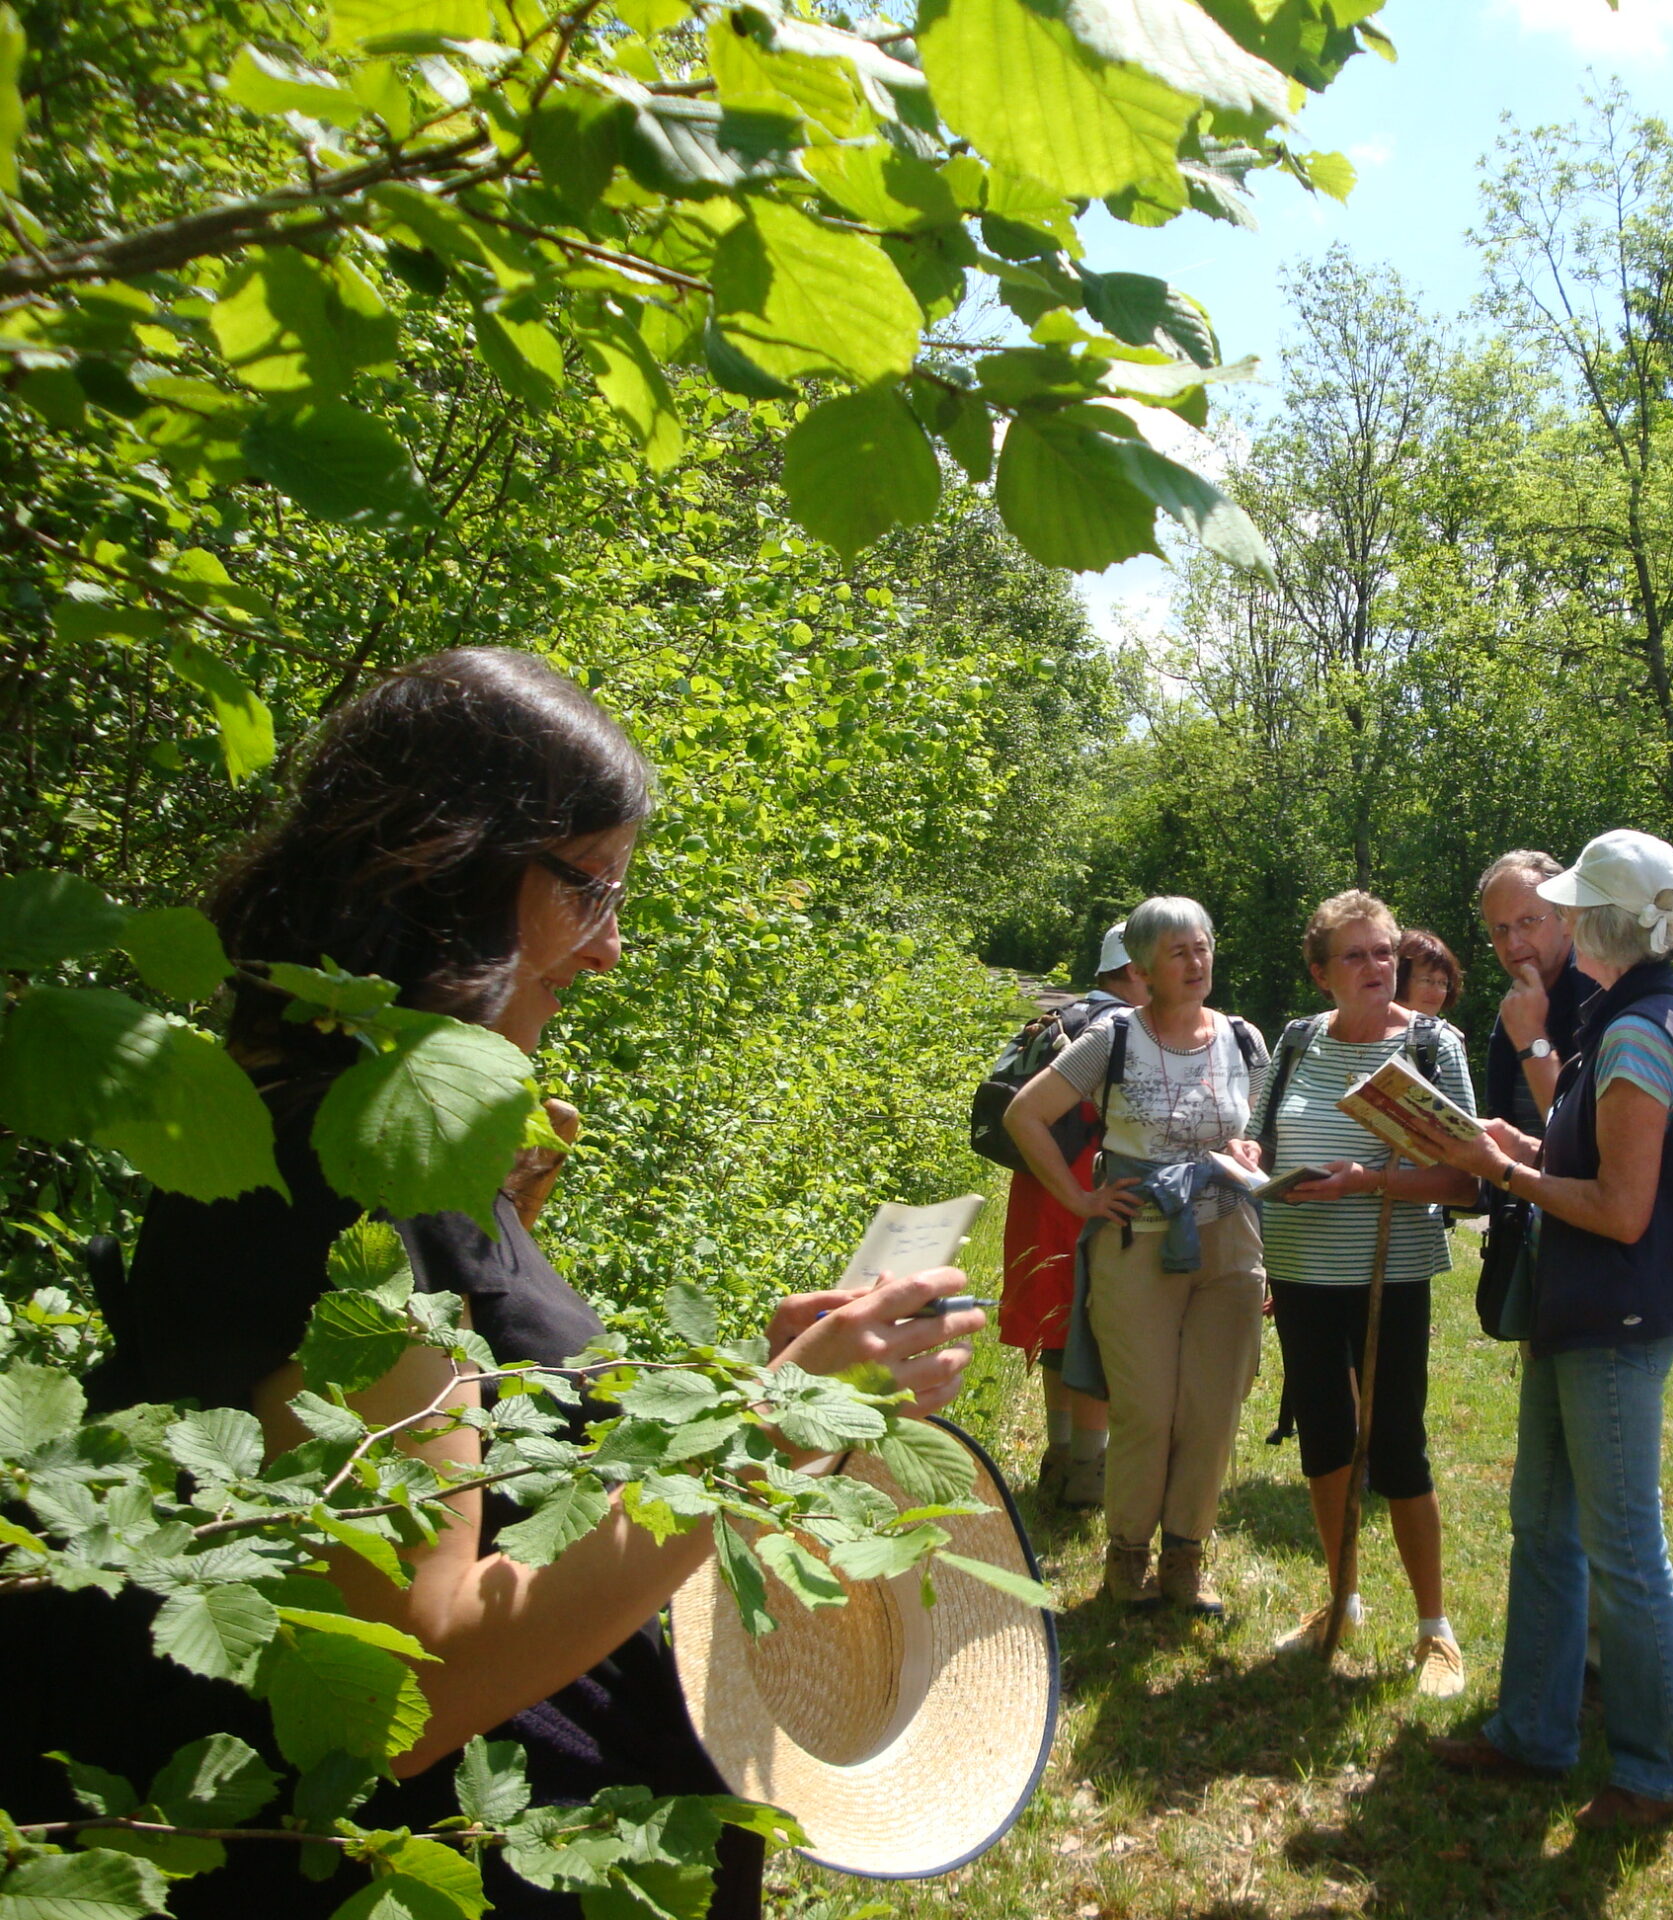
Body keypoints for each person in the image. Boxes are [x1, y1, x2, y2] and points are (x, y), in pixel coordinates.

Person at [5, 649, 984, 1920]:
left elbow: (513, 1477)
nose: (611, 950)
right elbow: (413, 1689)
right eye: (593, 893)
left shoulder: (377, 1136)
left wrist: (751, 1377)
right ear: (452, 867)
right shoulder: (327, 1186)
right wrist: (767, 1424)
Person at [1427, 830, 1673, 1833]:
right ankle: (1532, 1732)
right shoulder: (1629, 1013)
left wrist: (1508, 1172)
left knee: (1621, 1546)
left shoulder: (1642, 1028)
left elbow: (1622, 1208)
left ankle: (1655, 1771)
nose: (1540, 928)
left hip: (1614, 1314)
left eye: (1558, 909)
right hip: (1581, 1309)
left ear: (1595, 920)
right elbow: (1590, 1141)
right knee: (1543, 1524)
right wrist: (1521, 1141)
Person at [1002, 896, 1269, 1614]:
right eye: (1179, 950)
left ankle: (1186, 1558)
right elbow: (1024, 1115)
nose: (1196, 961)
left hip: (1228, 1239)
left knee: (1212, 1411)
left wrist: (1248, 1150)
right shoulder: (1113, 1038)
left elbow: (1260, 1129)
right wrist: (1080, 1199)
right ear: (1144, 966)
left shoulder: (1243, 1038)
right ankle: (1127, 1558)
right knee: (1147, 1410)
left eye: (1204, 946)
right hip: (1136, 1240)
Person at [1252, 891, 1479, 1695]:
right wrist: (1252, 1159)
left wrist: (1366, 1182)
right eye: (1356, 955)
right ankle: (1340, 1600)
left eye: (1385, 952)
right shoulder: (1294, 1041)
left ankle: (1434, 1631)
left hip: (1391, 1268)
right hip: (1300, 1267)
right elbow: (1265, 1134)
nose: (1378, 967)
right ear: (1321, 973)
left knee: (1396, 1445)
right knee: (1324, 1434)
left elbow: (1465, 1175)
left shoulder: (1431, 1045)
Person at [998, 922, 1147, 1507]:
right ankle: (1089, 1468)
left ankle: (1059, 1456)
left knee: (1058, 1329)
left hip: (1038, 1186)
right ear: (1135, 970)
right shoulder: (1122, 1030)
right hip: (1086, 1187)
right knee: (1094, 1331)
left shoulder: (1059, 1017)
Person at [1476, 850, 1595, 1138]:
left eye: (1528, 921)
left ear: (1567, 918)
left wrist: (1532, 1040)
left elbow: (1586, 1142)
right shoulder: (1516, 1003)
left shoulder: (1598, 997)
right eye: (1500, 929)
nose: (1513, 943)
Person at [1394, 927, 1463, 1020]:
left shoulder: (1445, 1034)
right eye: (1427, 980)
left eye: (1443, 983)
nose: (1436, 992)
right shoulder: (1370, 1029)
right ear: (1398, 979)